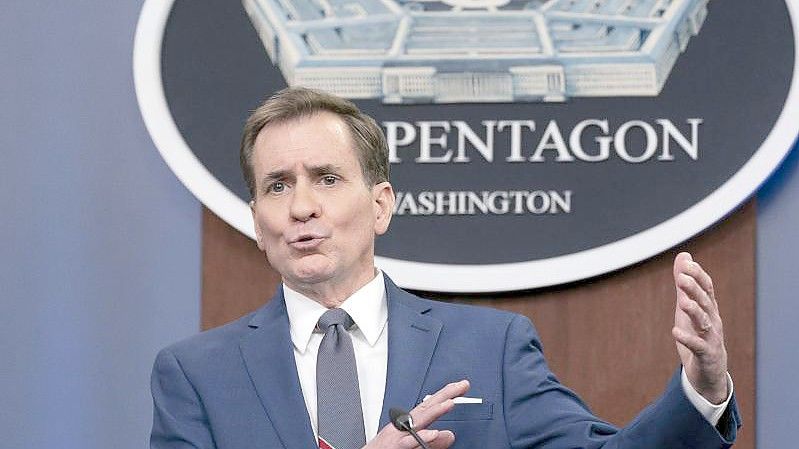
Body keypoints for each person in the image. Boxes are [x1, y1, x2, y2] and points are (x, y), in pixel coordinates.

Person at [150, 87, 740, 449]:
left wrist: (702, 391)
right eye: (278, 186)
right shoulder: (197, 375)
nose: (302, 206)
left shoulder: (492, 350)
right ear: (258, 220)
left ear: (380, 205)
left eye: (327, 179)